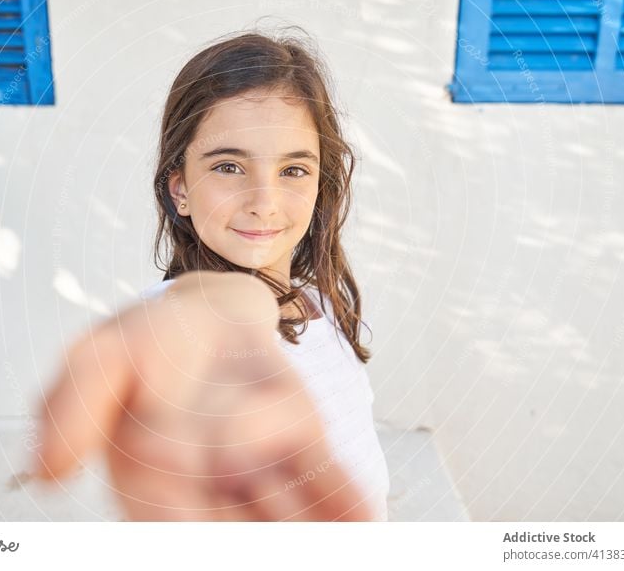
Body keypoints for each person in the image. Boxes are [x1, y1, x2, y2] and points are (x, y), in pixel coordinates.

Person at [34, 27, 390, 521]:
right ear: (180, 188)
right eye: (228, 166)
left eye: (293, 170)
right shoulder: (192, 327)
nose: (263, 202)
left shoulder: (321, 306)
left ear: (320, 185)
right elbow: (222, 309)